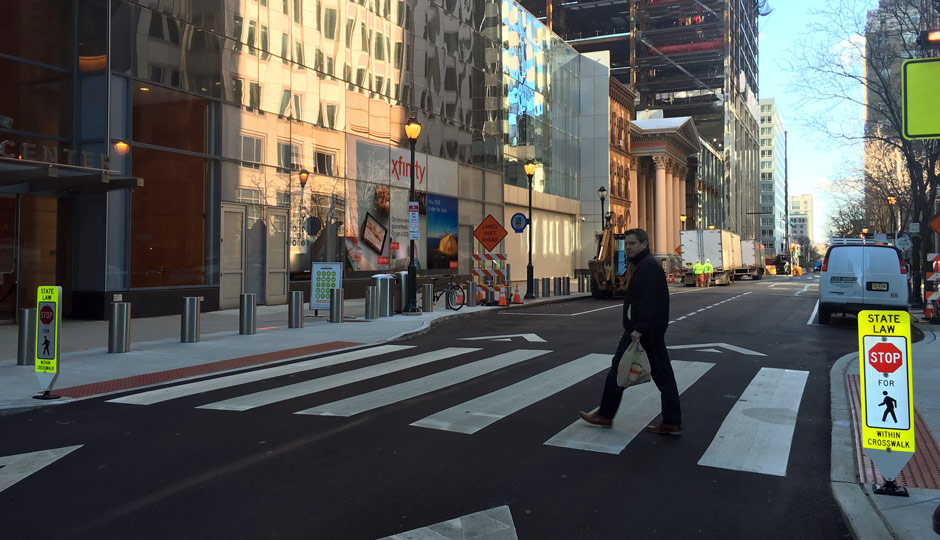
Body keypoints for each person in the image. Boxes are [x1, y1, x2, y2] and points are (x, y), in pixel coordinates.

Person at [578, 228, 682, 435]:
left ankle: (605, 415)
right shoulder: (644, 265)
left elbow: (650, 302)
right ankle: (671, 421)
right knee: (662, 375)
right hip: (649, 330)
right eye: (626, 244)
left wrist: (639, 329)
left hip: (644, 332)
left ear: (644, 244)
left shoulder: (647, 267)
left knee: (620, 369)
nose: (628, 248)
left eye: (632, 244)